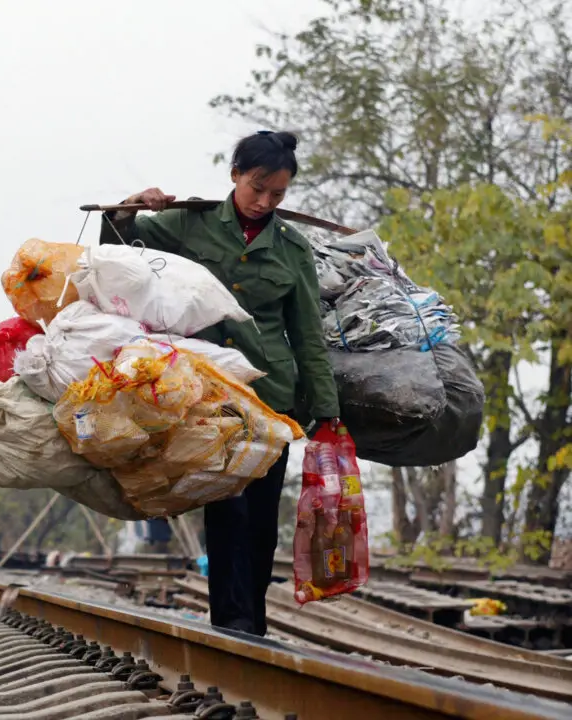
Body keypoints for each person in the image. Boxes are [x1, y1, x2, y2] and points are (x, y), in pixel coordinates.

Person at [100, 130, 339, 637]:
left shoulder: (292, 249)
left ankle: (252, 623)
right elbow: (120, 252)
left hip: (270, 398)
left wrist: (326, 410)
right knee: (227, 508)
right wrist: (129, 208)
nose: (265, 202)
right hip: (206, 394)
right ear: (235, 175)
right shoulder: (192, 222)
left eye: (277, 194)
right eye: (257, 188)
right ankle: (233, 625)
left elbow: (307, 334)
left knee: (261, 521)